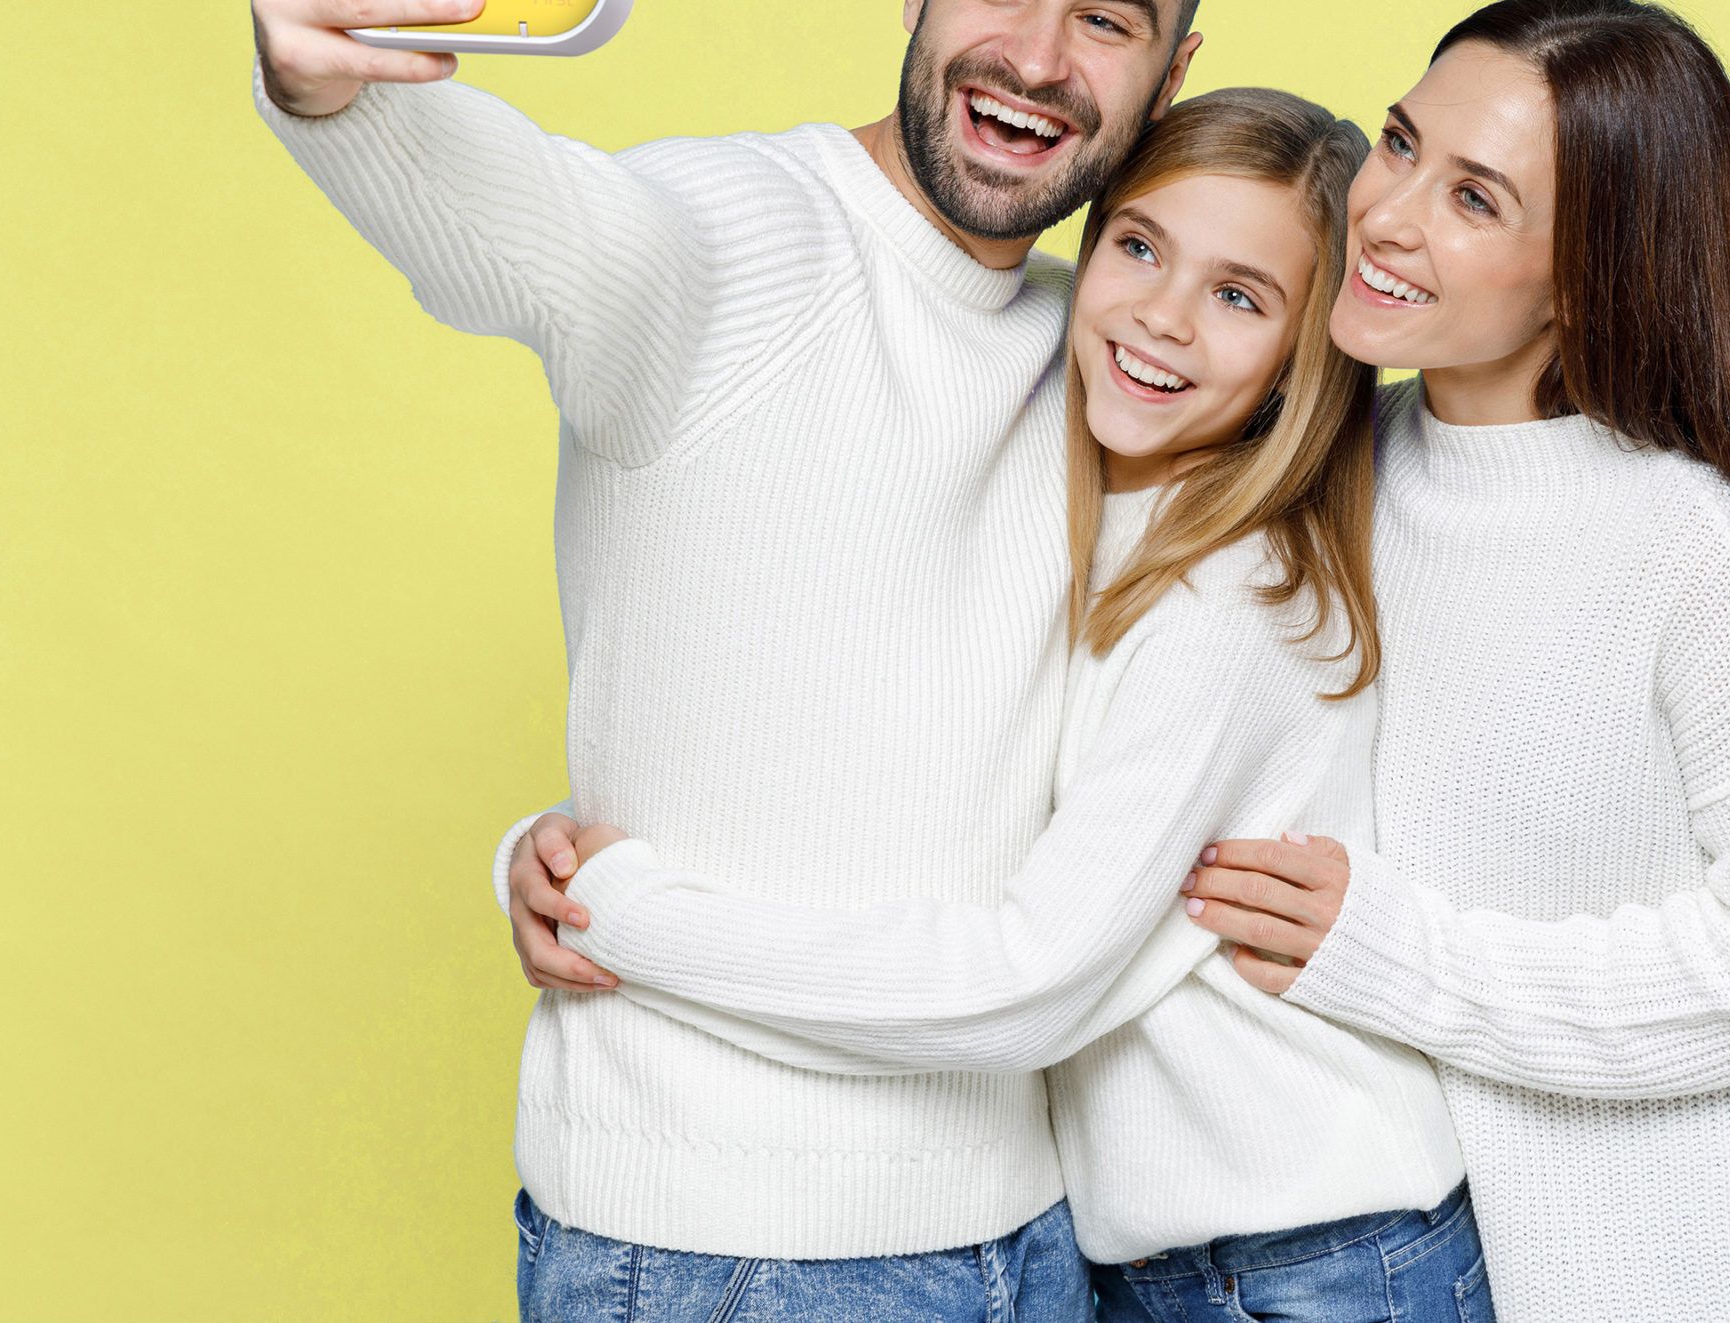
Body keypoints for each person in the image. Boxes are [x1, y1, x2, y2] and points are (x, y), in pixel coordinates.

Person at [244, 0, 1221, 1318]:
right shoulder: (723, 241)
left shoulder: (1116, 353)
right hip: (722, 1254)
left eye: (1107, 17)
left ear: (1172, 69)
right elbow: (535, 226)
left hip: (1036, 1234)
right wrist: (323, 79)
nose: (1034, 58)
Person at [536, 88, 1489, 1320]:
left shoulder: (1232, 601)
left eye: (1240, 297)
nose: (1162, 317)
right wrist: (548, 844)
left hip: (1312, 1259)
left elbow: (1023, 982)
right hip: (1160, 1252)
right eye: (1139, 247)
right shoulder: (1092, 493)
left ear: (1304, 360)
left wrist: (618, 916)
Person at [1179, 0, 1730, 1321]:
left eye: (1477, 199)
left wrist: (1413, 958)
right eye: (1404, 144)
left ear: (1584, 275)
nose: (1393, 212)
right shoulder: (1336, 465)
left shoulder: (1682, 539)